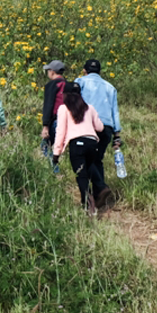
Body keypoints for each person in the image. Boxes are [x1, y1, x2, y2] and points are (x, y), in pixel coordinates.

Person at [51, 82, 114, 216]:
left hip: (76, 144)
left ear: (65, 95)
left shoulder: (64, 108)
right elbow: (100, 128)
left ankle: (88, 204)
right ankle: (101, 187)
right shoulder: (89, 108)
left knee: (81, 175)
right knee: (90, 166)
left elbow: (60, 132)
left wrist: (56, 153)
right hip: (92, 142)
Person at [76, 59, 122, 210]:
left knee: (86, 160)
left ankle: (101, 188)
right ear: (99, 71)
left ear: (85, 70)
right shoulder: (110, 87)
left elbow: (75, 101)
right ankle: (99, 194)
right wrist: (117, 134)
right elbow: (115, 112)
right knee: (97, 160)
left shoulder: (80, 82)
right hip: (107, 127)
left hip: (89, 124)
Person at [41, 60, 68, 149]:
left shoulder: (52, 85)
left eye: (48, 70)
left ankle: (52, 163)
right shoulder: (68, 85)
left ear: (52, 72)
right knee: (60, 148)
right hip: (69, 120)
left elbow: (48, 105)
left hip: (56, 120)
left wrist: (45, 126)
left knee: (44, 147)